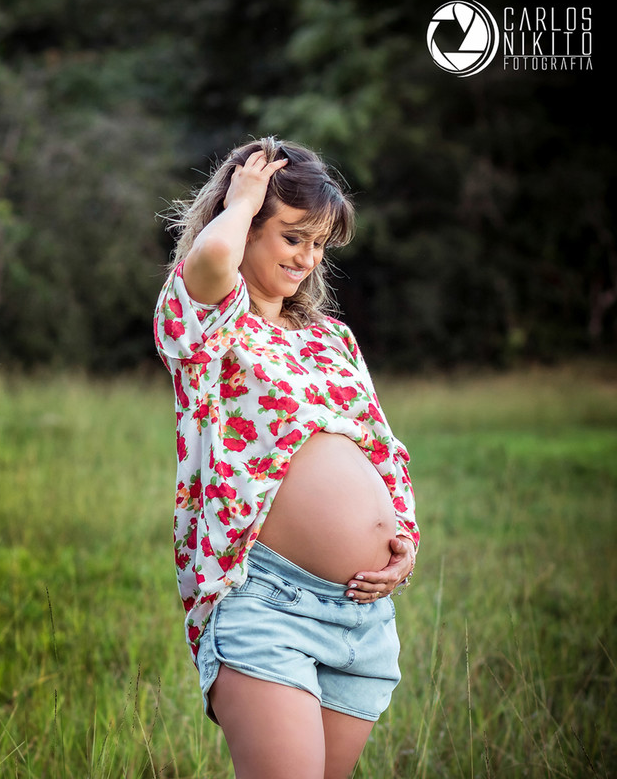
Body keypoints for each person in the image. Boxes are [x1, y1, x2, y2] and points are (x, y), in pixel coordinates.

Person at [152, 136, 420, 778]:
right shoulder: (210, 325)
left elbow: (380, 447)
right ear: (243, 225)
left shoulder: (331, 337)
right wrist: (242, 199)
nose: (306, 258)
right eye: (292, 236)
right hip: (267, 601)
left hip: (361, 615)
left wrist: (403, 540)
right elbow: (212, 257)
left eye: (318, 244)